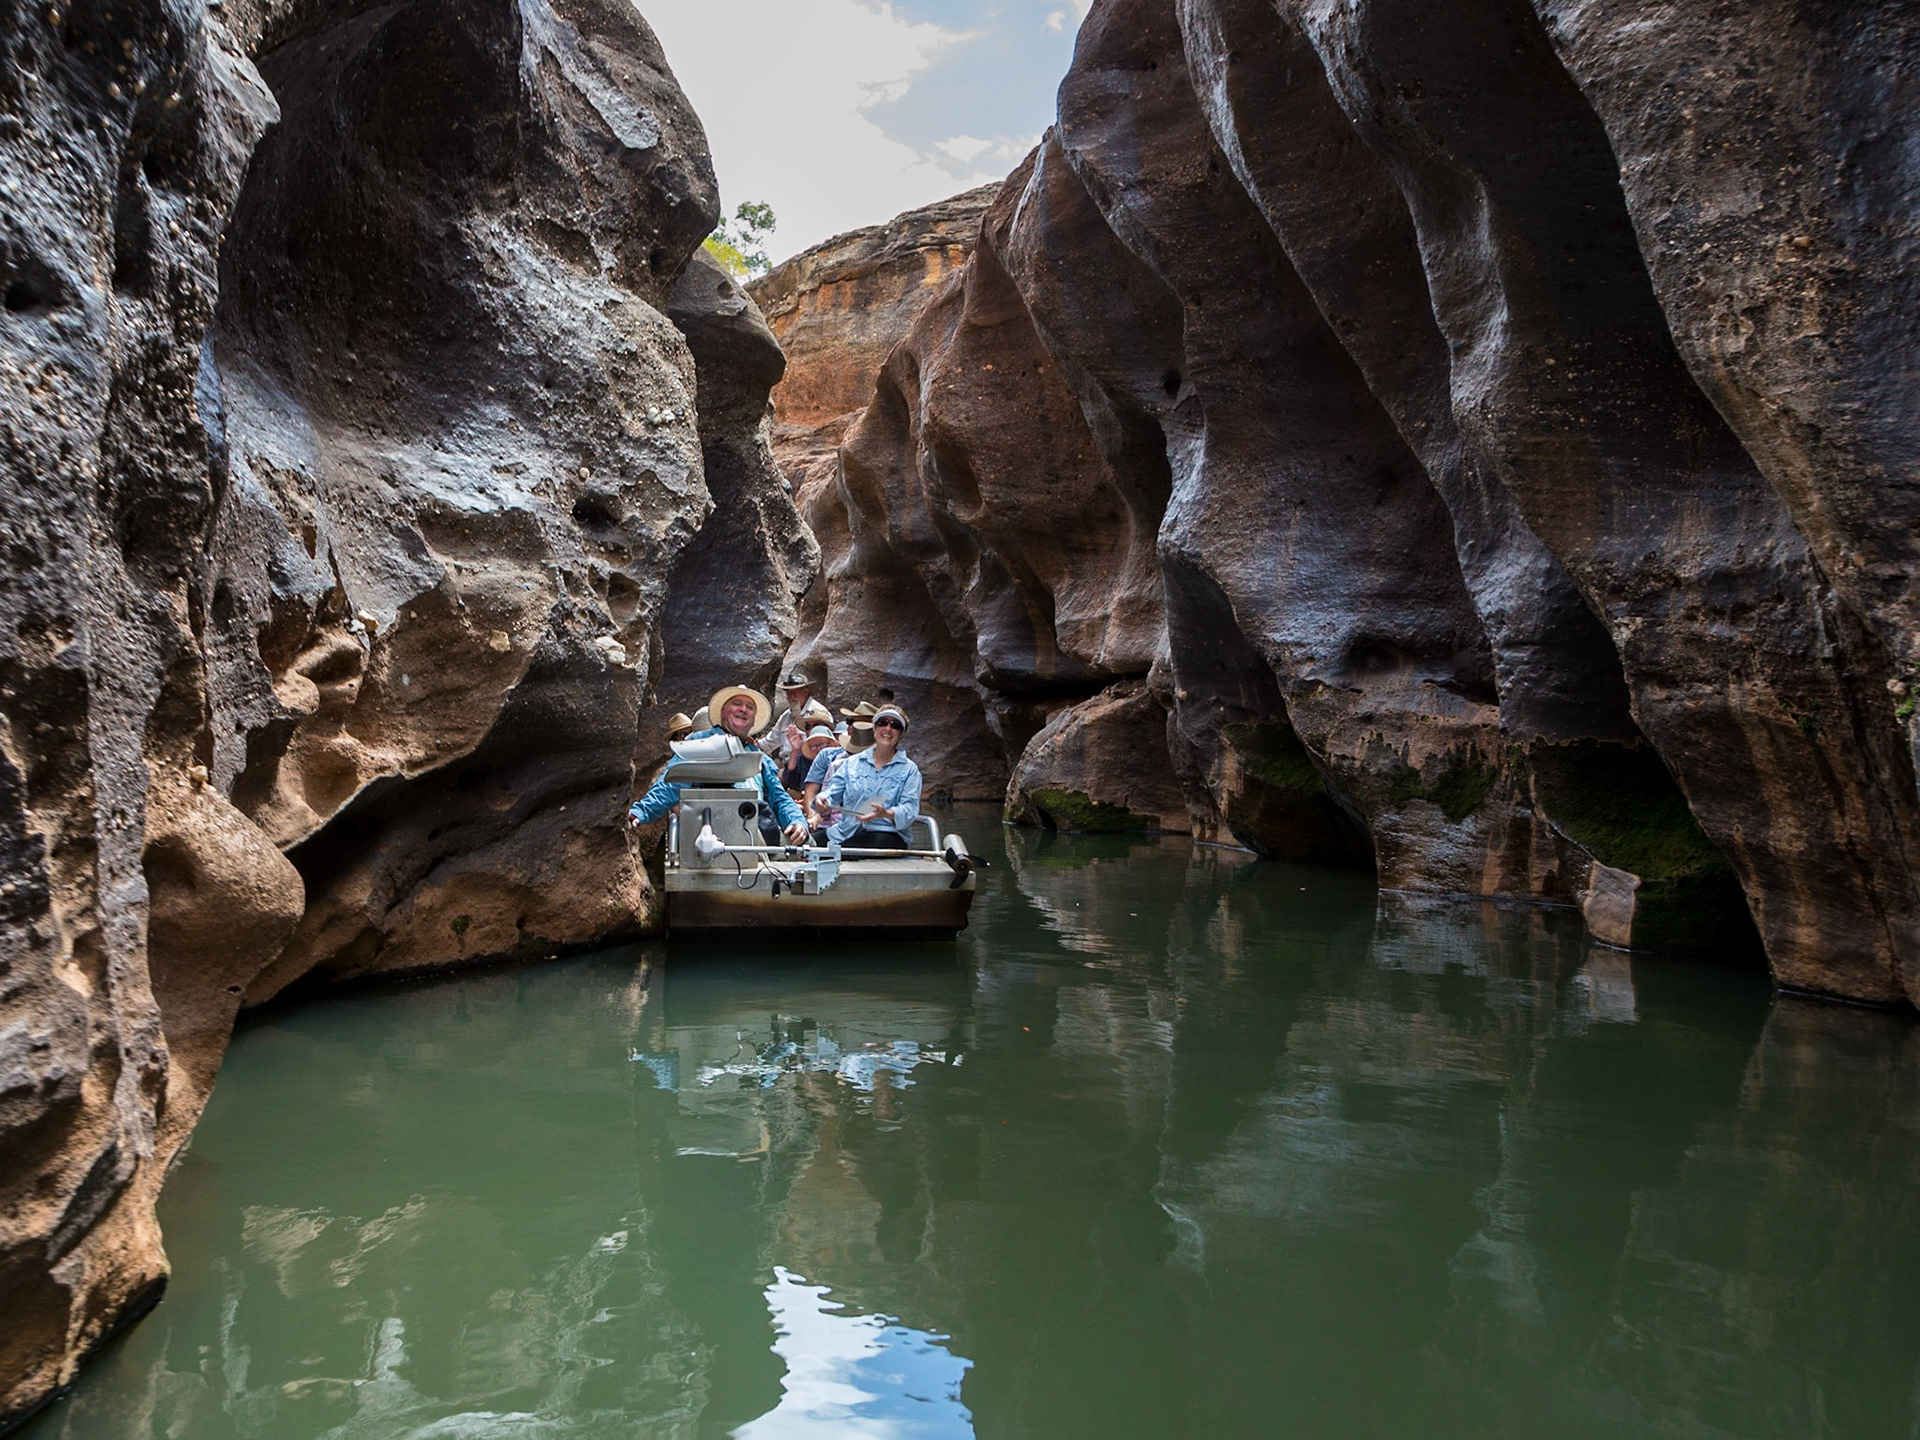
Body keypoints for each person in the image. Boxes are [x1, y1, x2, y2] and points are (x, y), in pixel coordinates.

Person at [628, 685, 809, 843]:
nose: (743, 709)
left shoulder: (760, 758)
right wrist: (641, 811)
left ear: (753, 719)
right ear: (723, 712)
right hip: (712, 833)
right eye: (737, 704)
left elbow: (779, 797)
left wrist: (797, 821)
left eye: (750, 707)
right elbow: (671, 783)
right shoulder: (699, 743)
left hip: (758, 830)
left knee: (811, 847)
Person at [817, 704, 920, 852]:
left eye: (895, 725)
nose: (888, 729)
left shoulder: (910, 770)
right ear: (874, 728)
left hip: (887, 834)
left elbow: (909, 810)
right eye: (882, 723)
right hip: (846, 831)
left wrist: (886, 813)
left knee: (844, 850)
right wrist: (823, 800)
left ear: (901, 734)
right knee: (809, 844)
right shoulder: (851, 763)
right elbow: (832, 792)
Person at [762, 669, 832, 765]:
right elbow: (768, 743)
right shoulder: (786, 716)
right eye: (788, 692)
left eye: (794, 692)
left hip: (809, 766)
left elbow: (827, 749)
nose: (790, 696)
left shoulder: (819, 713)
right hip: (785, 766)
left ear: (806, 692)